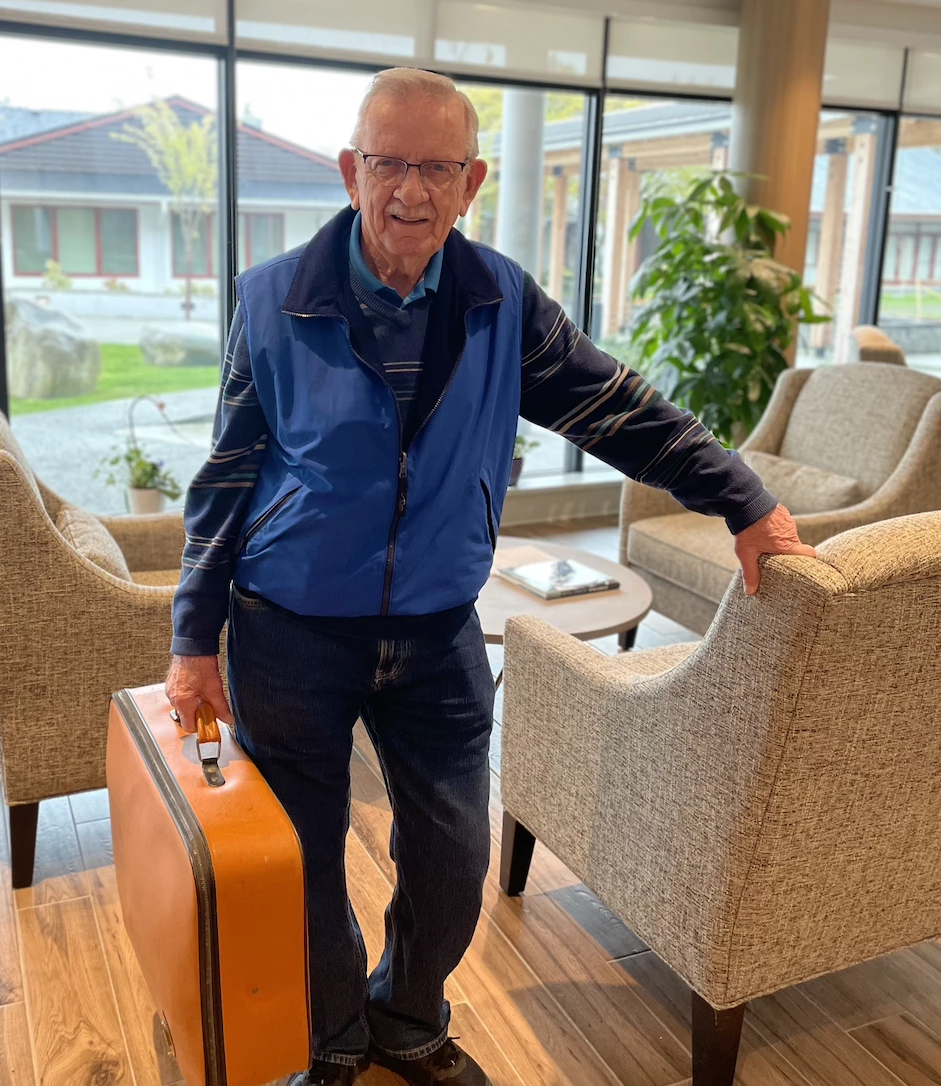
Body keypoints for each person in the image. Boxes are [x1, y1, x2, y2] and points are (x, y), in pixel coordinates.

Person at [166, 67, 815, 1086]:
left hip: (435, 633)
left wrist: (740, 496)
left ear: (470, 183)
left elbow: (617, 407)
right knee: (300, 854)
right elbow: (228, 477)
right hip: (286, 628)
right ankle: (332, 1034)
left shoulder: (500, 300)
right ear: (350, 171)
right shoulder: (273, 301)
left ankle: (407, 1014)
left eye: (436, 169)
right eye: (389, 164)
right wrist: (192, 640)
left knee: (453, 853)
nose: (410, 193)